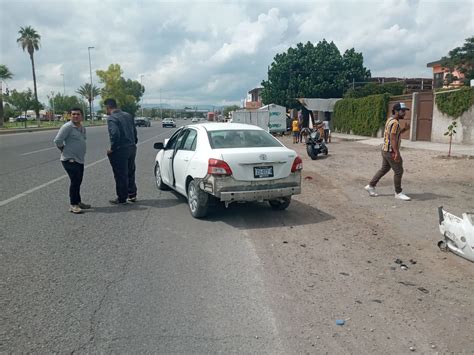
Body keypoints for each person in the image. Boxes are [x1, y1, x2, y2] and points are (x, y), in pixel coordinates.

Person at [365, 102, 411, 201]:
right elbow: (393, 138)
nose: (404, 113)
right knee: (399, 171)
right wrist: (396, 152)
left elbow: (395, 134)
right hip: (390, 151)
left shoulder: (390, 120)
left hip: (385, 149)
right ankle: (398, 193)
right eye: (402, 111)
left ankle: (371, 186)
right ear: (396, 111)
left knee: (384, 169)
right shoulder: (395, 123)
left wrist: (404, 129)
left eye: (405, 111)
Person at [53, 107, 91, 214]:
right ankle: (73, 205)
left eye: (78, 114)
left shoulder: (82, 128)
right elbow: (58, 141)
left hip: (79, 159)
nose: (75, 116)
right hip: (69, 159)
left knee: (78, 181)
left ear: (82, 116)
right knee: (75, 181)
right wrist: (63, 150)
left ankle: (78, 201)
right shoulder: (67, 127)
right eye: (73, 114)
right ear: (70, 116)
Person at [104, 98, 138, 205]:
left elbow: (115, 134)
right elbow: (134, 131)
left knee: (120, 174)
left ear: (108, 107)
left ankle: (122, 197)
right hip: (132, 147)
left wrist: (112, 149)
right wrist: (133, 142)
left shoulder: (112, 118)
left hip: (120, 149)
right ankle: (132, 194)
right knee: (130, 171)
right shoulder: (128, 115)